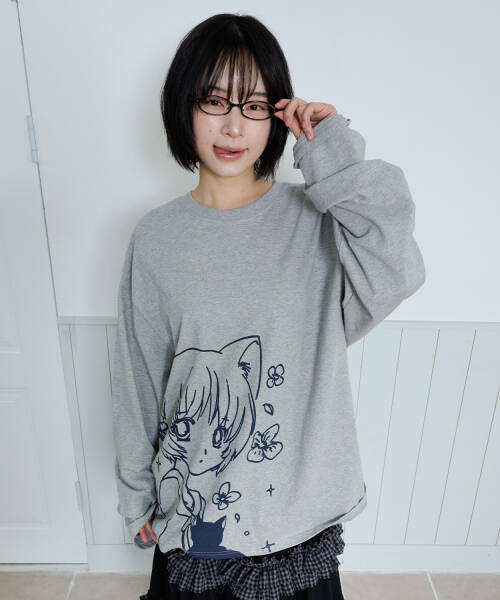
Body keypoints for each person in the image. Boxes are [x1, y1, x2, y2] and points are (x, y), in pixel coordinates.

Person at [111, 12, 426, 600]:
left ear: (278, 114)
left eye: (254, 105)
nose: (233, 126)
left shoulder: (317, 219)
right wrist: (138, 498)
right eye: (214, 101)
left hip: (298, 525)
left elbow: (398, 268)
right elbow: (139, 379)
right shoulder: (155, 237)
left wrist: (331, 149)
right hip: (195, 522)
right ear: (183, 105)